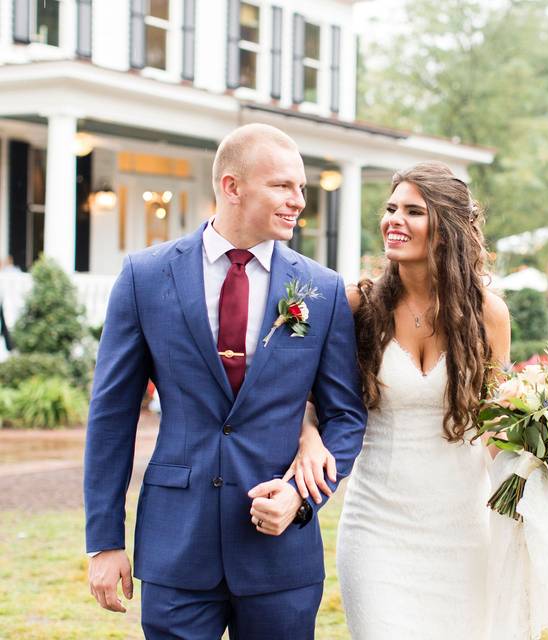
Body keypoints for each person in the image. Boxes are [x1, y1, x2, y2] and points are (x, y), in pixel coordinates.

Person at [83, 123, 366, 638]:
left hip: (280, 554)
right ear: (232, 187)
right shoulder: (145, 276)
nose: (298, 201)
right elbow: (111, 416)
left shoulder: (321, 291)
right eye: (282, 186)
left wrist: (302, 497)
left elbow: (346, 416)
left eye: (301, 188)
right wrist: (104, 542)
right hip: (176, 546)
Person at [289, 162, 511, 639]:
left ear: (447, 229)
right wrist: (308, 437)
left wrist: (542, 442)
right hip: (377, 527)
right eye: (391, 208)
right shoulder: (356, 306)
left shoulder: (488, 313)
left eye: (413, 211)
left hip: (464, 527)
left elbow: (495, 422)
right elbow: (299, 397)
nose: (394, 220)